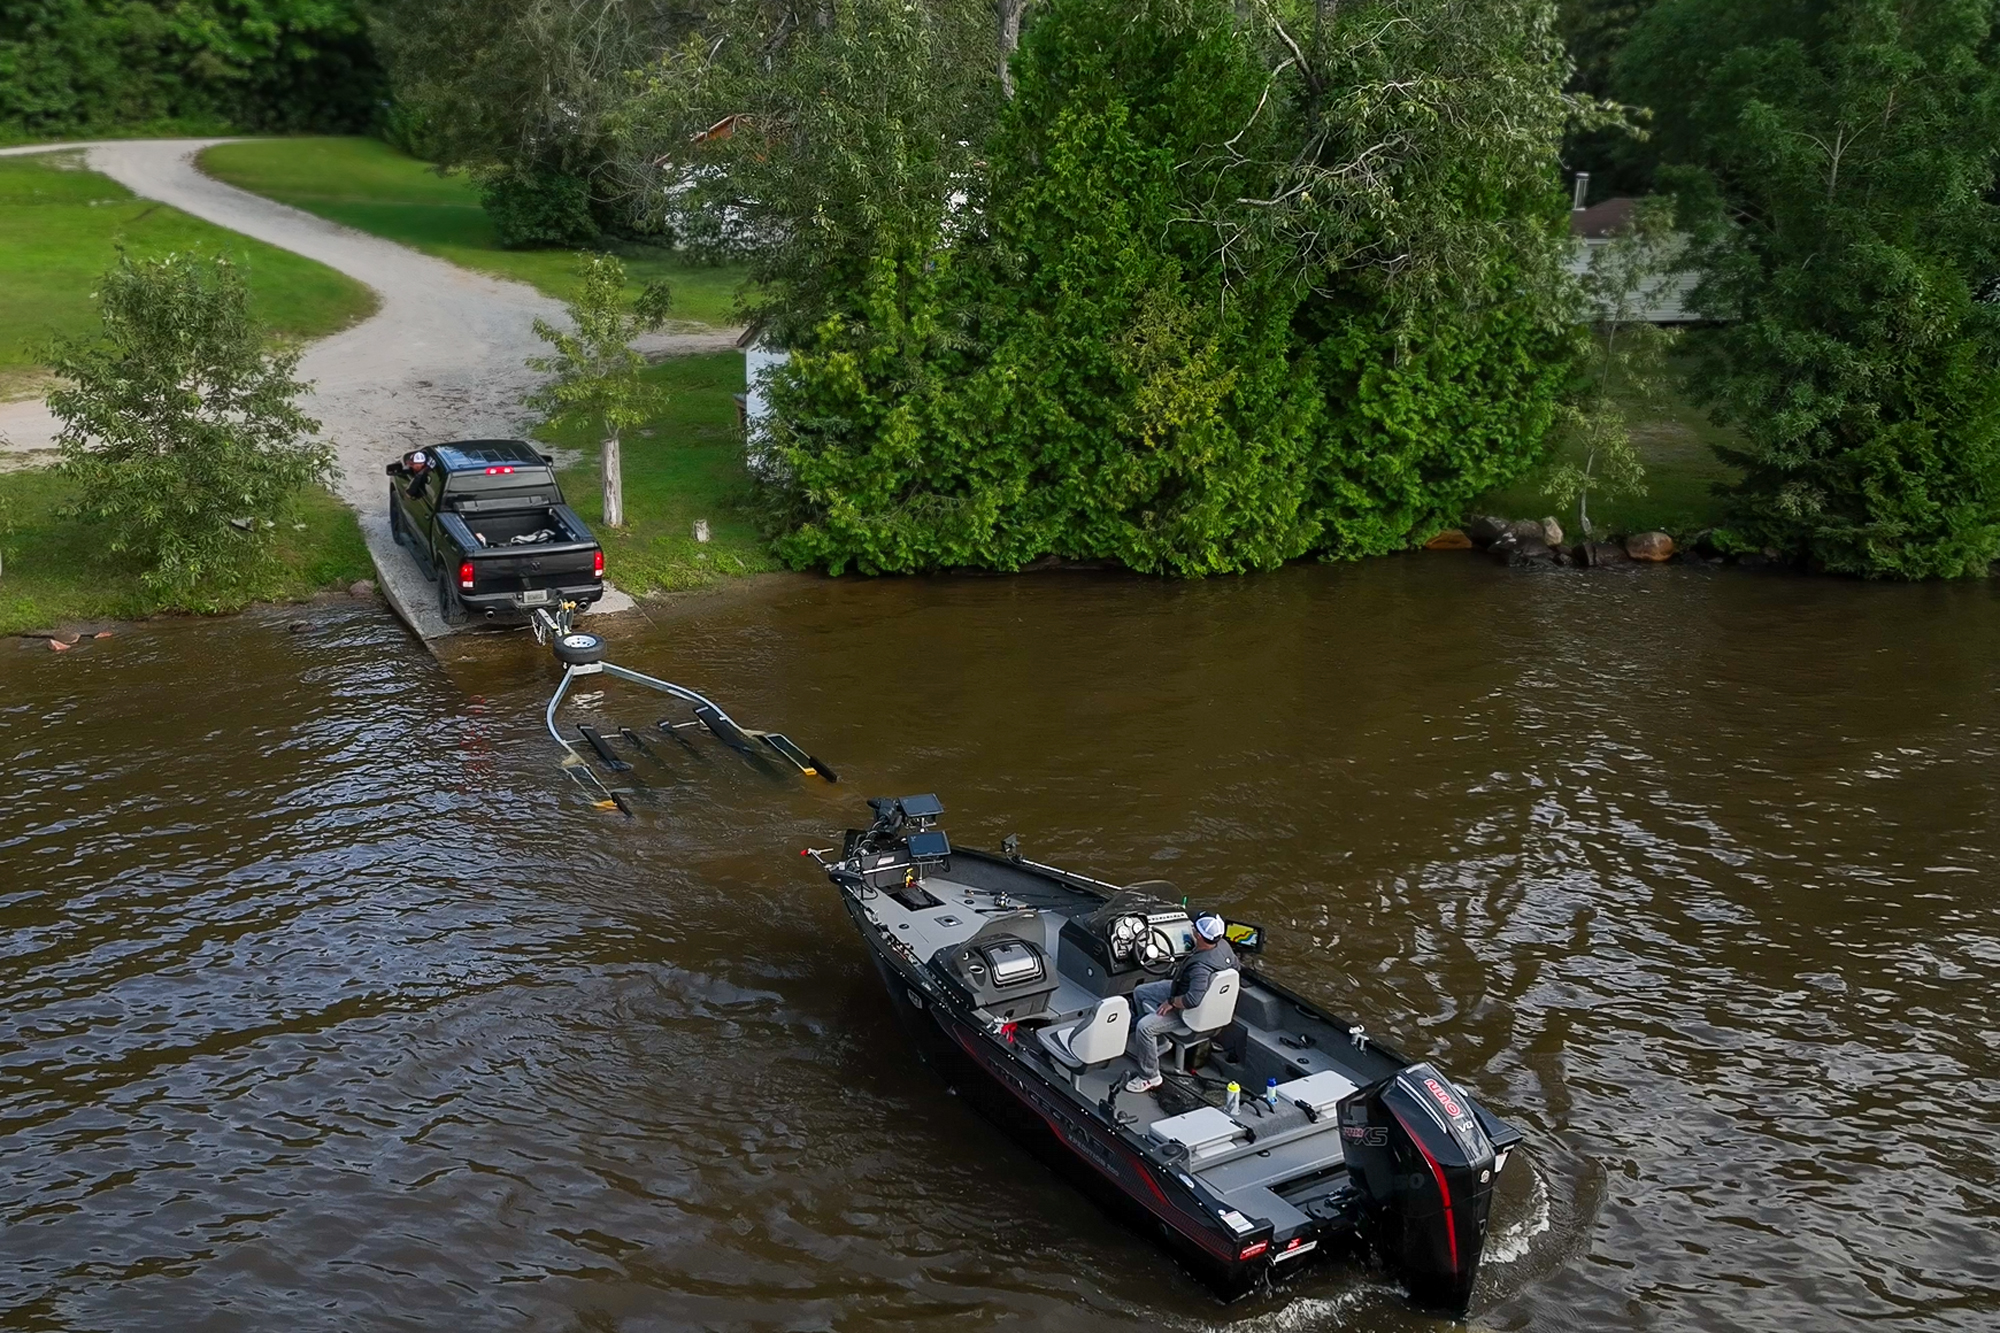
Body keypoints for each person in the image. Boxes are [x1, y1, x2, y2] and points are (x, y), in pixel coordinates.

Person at [1125, 914, 1238, 1094]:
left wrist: (1172, 1002)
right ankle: (1160, 1043)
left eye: (1195, 929)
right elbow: (1236, 967)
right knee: (1141, 992)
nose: (1192, 930)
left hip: (1191, 1011)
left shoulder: (1200, 968)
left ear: (1199, 937)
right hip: (1203, 999)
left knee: (1144, 1027)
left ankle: (1150, 1076)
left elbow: (1193, 1000)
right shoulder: (1223, 947)